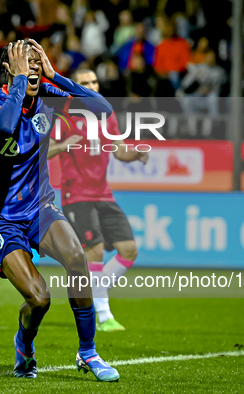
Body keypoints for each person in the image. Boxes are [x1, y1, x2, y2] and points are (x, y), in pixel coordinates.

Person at [0, 40, 120, 382]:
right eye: (25, 62)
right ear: (9, 68)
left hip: (39, 207)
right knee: (39, 298)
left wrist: (57, 76)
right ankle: (24, 343)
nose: (33, 67)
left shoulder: (49, 95)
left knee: (77, 258)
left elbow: (103, 110)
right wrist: (20, 81)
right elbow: (5, 126)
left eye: (37, 61)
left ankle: (88, 351)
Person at [47, 68, 148, 332]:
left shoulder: (107, 114)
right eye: (84, 83)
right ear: (74, 87)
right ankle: (103, 315)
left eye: (93, 81)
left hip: (103, 193)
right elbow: (42, 150)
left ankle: (94, 291)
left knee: (128, 250)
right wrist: (64, 144)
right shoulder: (63, 114)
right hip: (76, 194)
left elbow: (119, 150)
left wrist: (136, 154)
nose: (91, 86)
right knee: (95, 250)